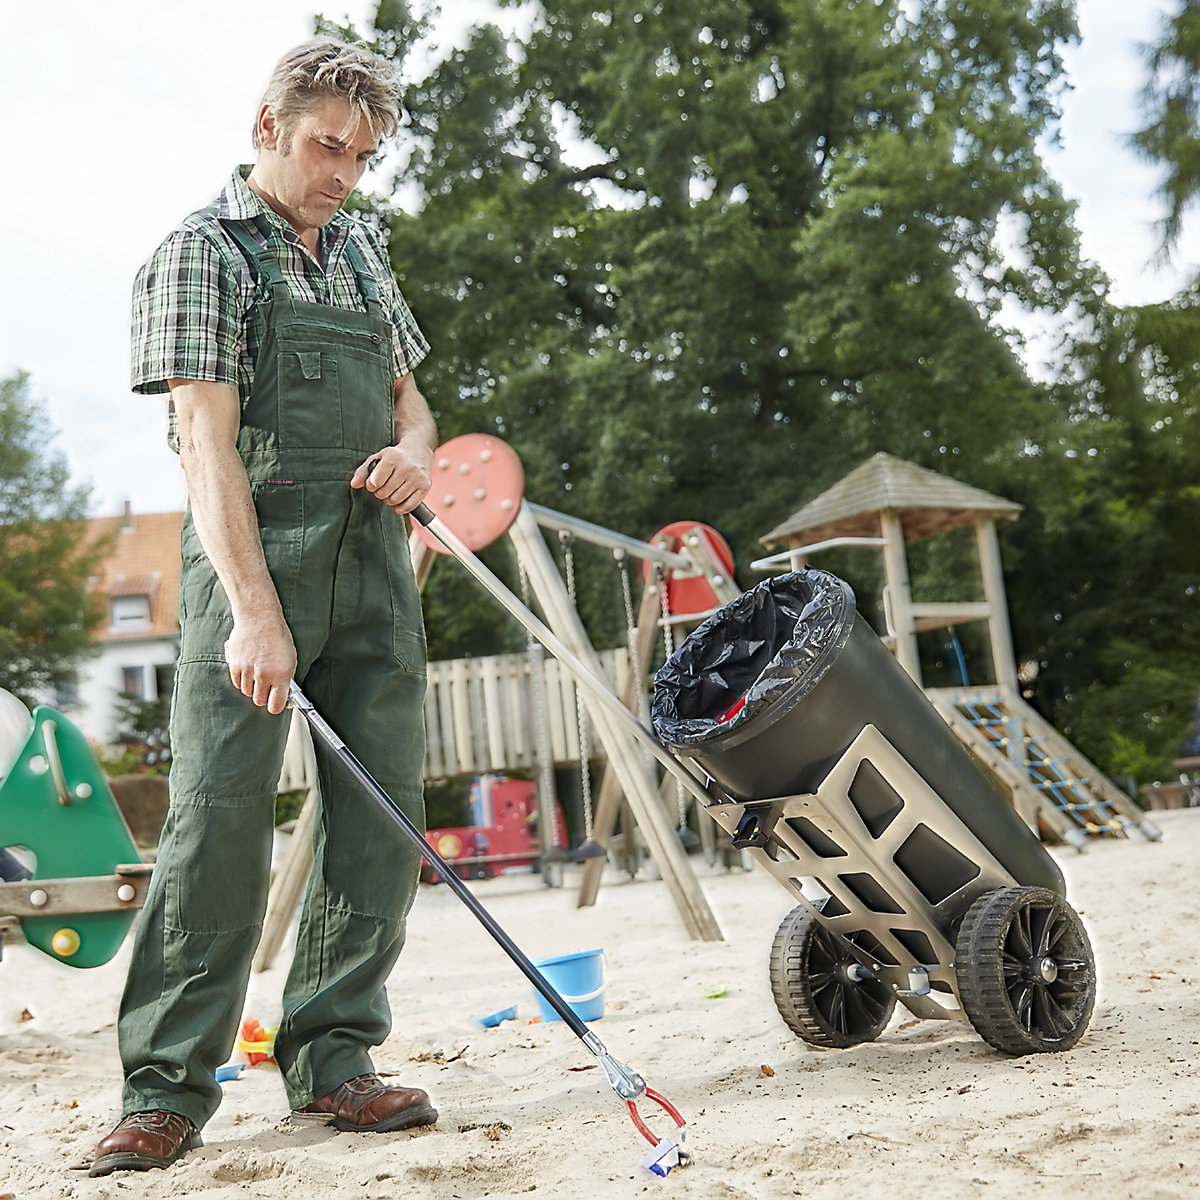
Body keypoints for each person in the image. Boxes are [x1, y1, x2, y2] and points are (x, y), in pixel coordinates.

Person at [91, 38, 438, 1177]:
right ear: (267, 127)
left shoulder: (360, 252)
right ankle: (167, 1087)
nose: (344, 172)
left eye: (363, 155)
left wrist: (415, 459)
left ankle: (335, 1057)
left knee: (382, 817)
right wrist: (255, 609)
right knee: (217, 824)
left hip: (372, 564)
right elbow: (203, 441)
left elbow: (412, 403)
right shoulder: (203, 253)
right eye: (327, 146)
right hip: (252, 563)